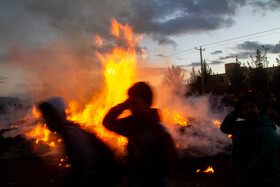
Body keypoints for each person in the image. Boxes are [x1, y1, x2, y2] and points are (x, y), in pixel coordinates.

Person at [103, 82, 176, 187]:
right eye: (130, 104)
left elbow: (168, 167)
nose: (132, 108)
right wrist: (123, 105)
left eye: (136, 103)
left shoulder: (158, 131)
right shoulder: (131, 124)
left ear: (148, 103)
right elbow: (107, 122)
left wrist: (144, 161)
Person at [38, 97, 121, 187]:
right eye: (44, 117)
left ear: (57, 115)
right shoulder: (71, 129)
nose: (45, 122)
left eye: (48, 117)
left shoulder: (72, 134)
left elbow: (85, 169)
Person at [220, 94, 279, 186]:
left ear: (259, 108)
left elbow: (266, 156)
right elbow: (224, 128)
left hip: (263, 178)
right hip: (245, 177)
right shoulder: (241, 126)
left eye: (252, 107)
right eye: (245, 108)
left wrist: (245, 170)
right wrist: (235, 113)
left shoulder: (267, 130)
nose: (248, 110)